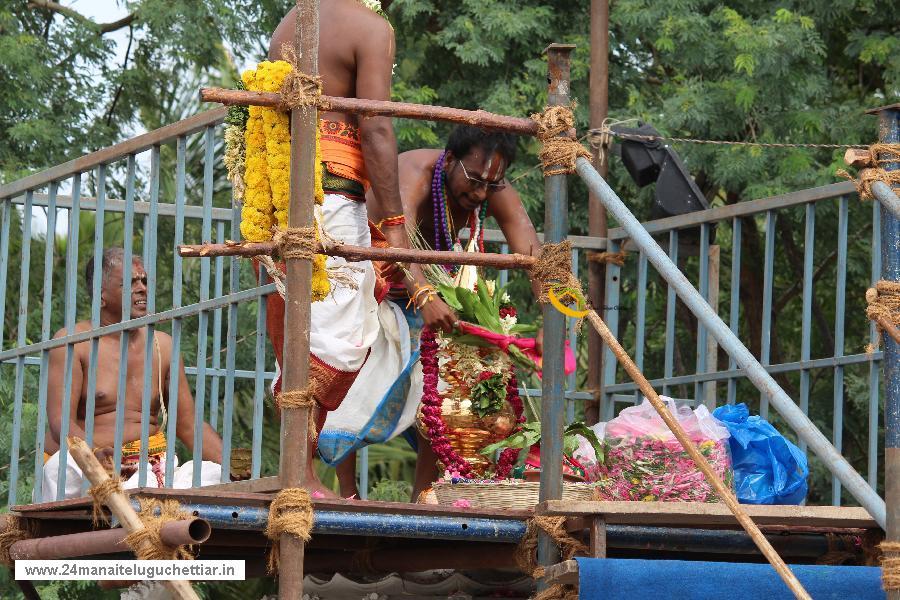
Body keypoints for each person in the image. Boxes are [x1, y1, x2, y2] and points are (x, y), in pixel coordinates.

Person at [319, 126, 544, 500]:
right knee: (349, 363)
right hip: (366, 280)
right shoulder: (414, 174)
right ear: (450, 160)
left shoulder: (490, 185)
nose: (480, 193)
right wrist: (423, 294)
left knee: (446, 377)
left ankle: (426, 495)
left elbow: (534, 252)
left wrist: (552, 316)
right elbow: (398, 238)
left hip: (421, 292)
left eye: (492, 185)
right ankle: (347, 492)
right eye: (474, 180)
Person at [261, 1, 424, 497]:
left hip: (283, 202)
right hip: (330, 200)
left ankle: (301, 468)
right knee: (334, 338)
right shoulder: (370, 29)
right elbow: (376, 127)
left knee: (306, 334)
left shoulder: (286, 25)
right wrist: (394, 226)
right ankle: (301, 473)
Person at [39, 249, 231, 503]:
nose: (142, 288)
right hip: (88, 464)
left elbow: (187, 424)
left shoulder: (162, 346)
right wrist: (94, 456)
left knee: (215, 475)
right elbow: (61, 423)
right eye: (130, 282)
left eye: (144, 281)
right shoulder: (72, 342)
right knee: (62, 468)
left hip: (149, 466)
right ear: (101, 295)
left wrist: (231, 467)